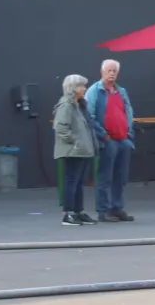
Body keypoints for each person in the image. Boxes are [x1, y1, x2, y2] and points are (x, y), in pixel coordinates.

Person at [85, 59, 136, 222]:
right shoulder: (94, 91)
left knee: (121, 177)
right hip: (107, 140)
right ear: (102, 72)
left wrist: (128, 133)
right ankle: (103, 210)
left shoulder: (121, 91)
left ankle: (117, 208)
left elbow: (128, 112)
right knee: (104, 176)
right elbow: (89, 116)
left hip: (123, 139)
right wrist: (103, 135)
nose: (112, 73)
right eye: (109, 70)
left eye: (114, 70)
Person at [53, 74, 98, 227]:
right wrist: (76, 143)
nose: (85, 89)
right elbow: (60, 127)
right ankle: (68, 213)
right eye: (82, 86)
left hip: (82, 150)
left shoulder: (80, 105)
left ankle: (78, 212)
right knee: (71, 181)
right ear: (74, 88)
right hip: (73, 150)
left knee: (79, 182)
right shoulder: (66, 105)